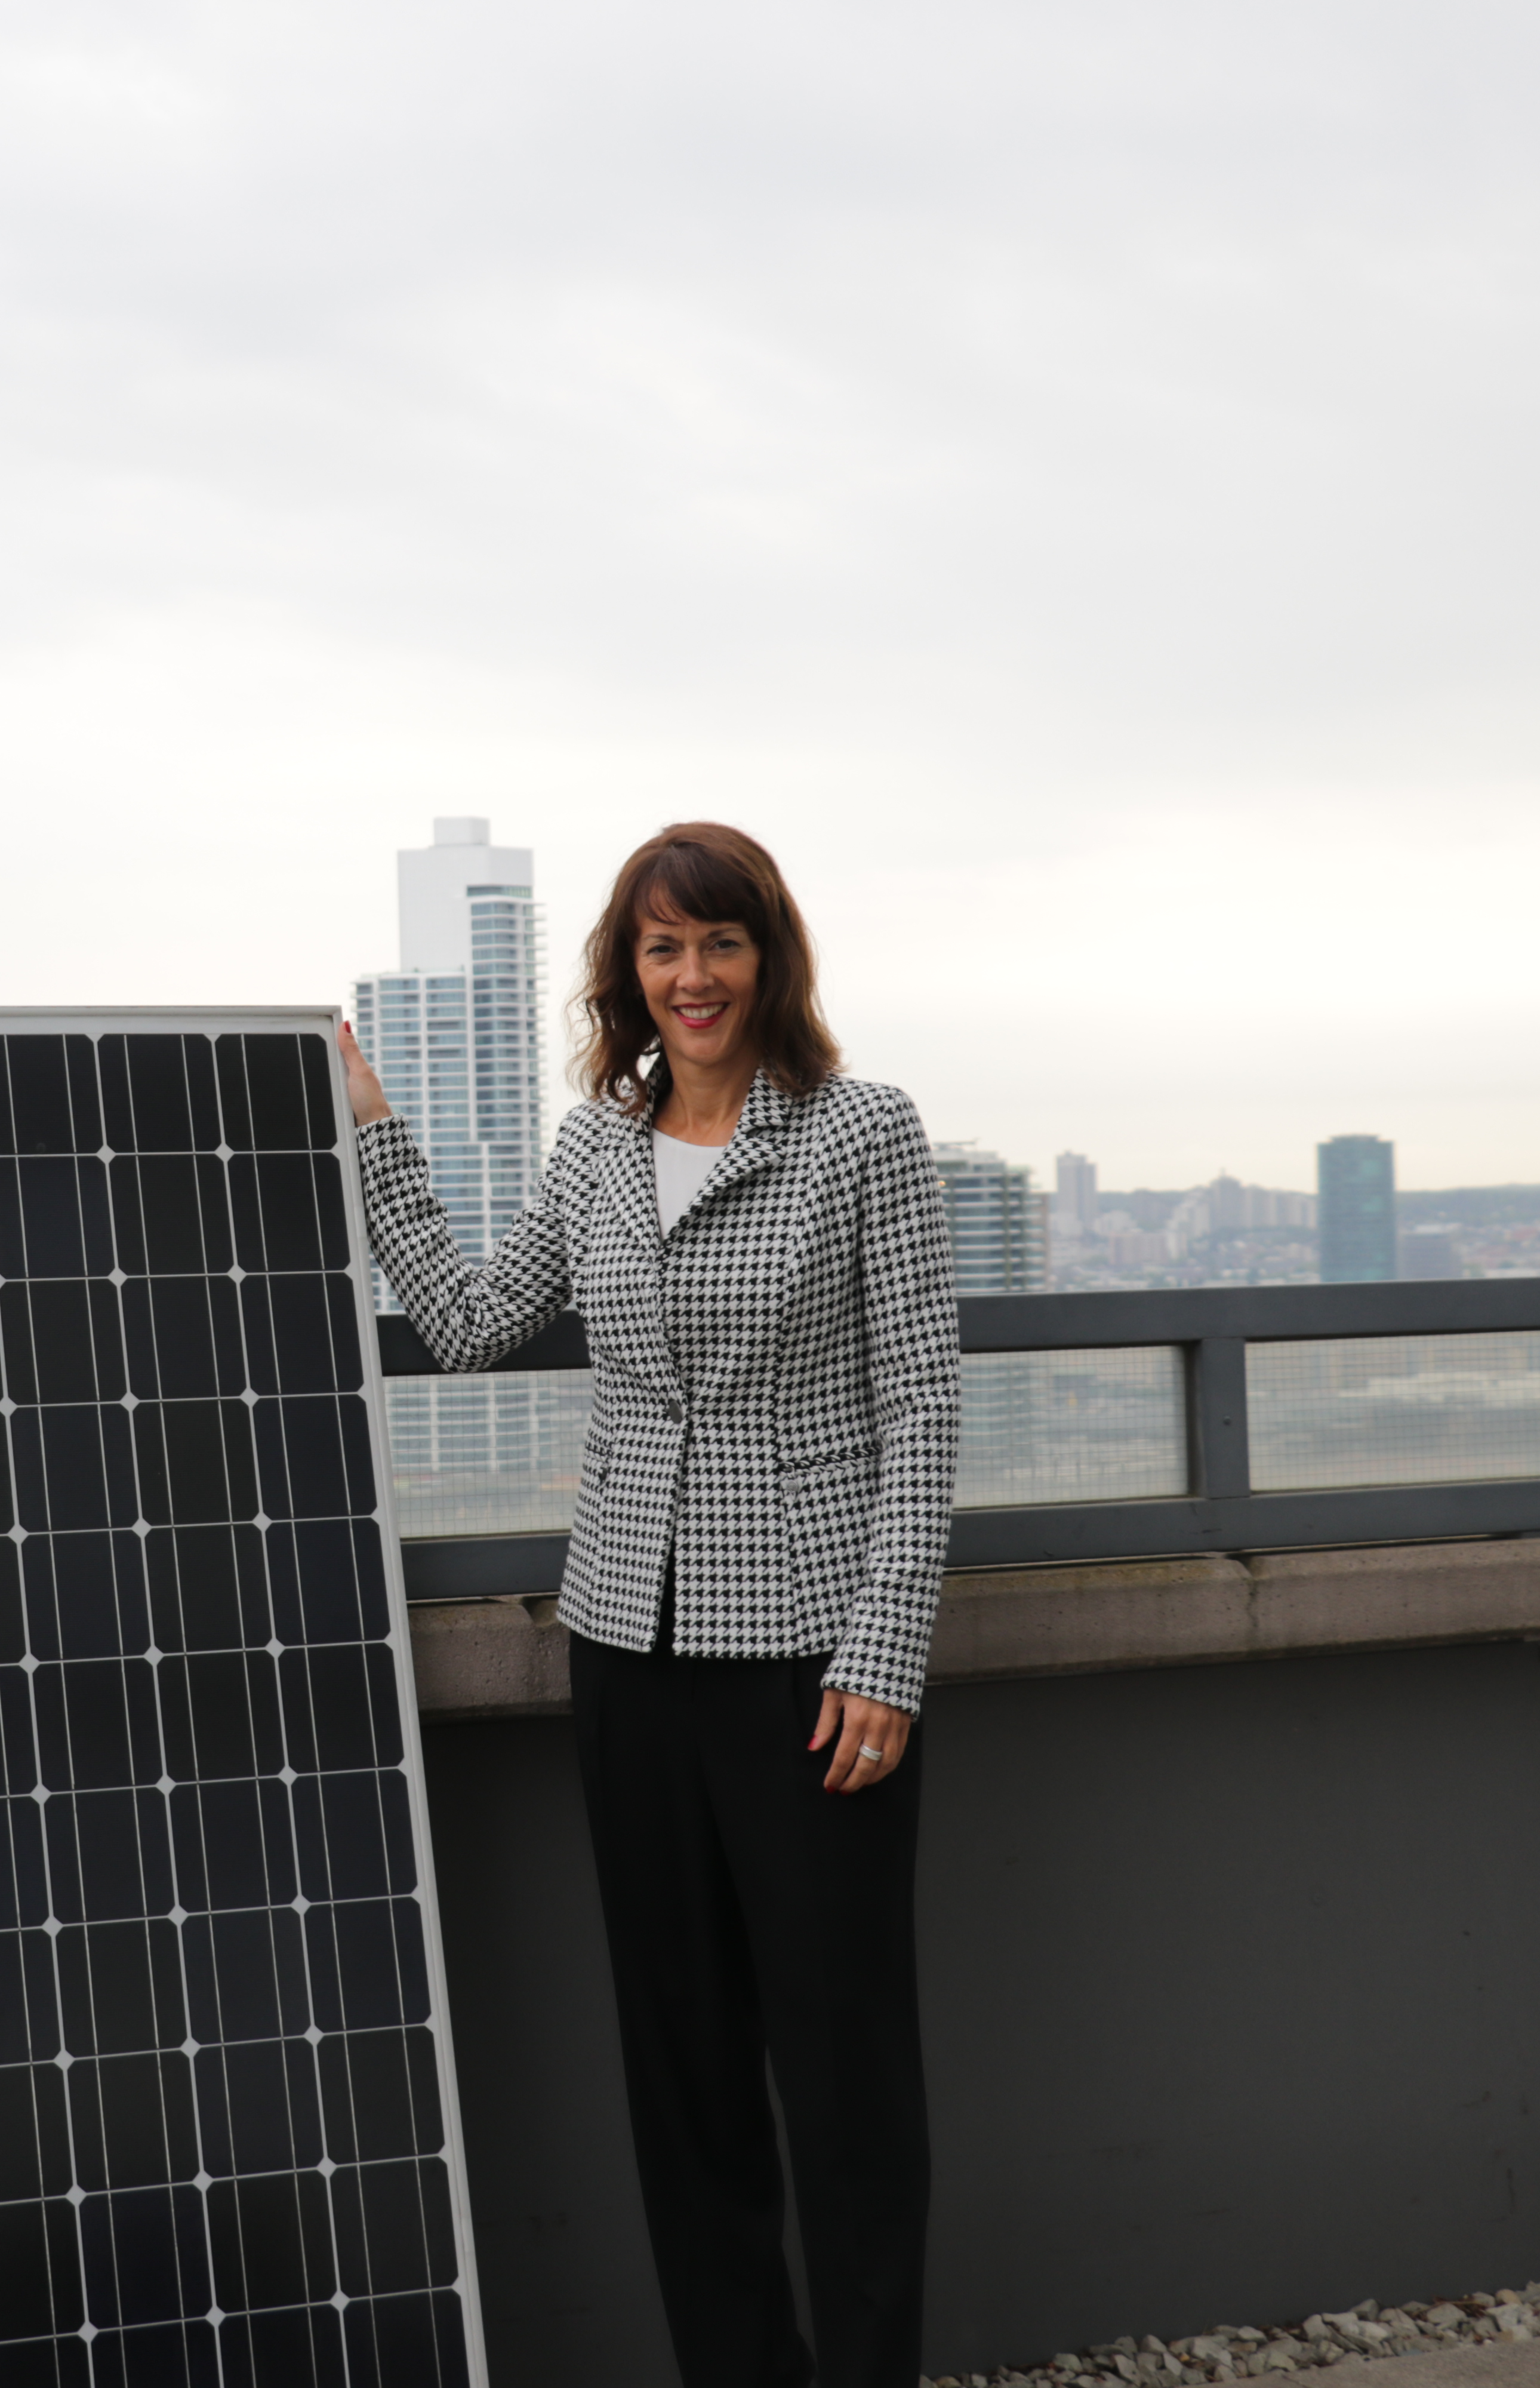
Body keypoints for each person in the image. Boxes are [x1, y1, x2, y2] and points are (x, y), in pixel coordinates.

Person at [339, 820, 959, 2388]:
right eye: (663, 948)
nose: (693, 977)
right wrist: (374, 1134)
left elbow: (923, 1401)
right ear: (629, 970)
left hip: (813, 1669)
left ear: (770, 960)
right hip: (625, 1655)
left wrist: (886, 1652)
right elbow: (474, 1325)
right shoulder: (595, 1149)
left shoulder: (859, 1133)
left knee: (846, 2076)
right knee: (682, 2078)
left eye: (721, 944)